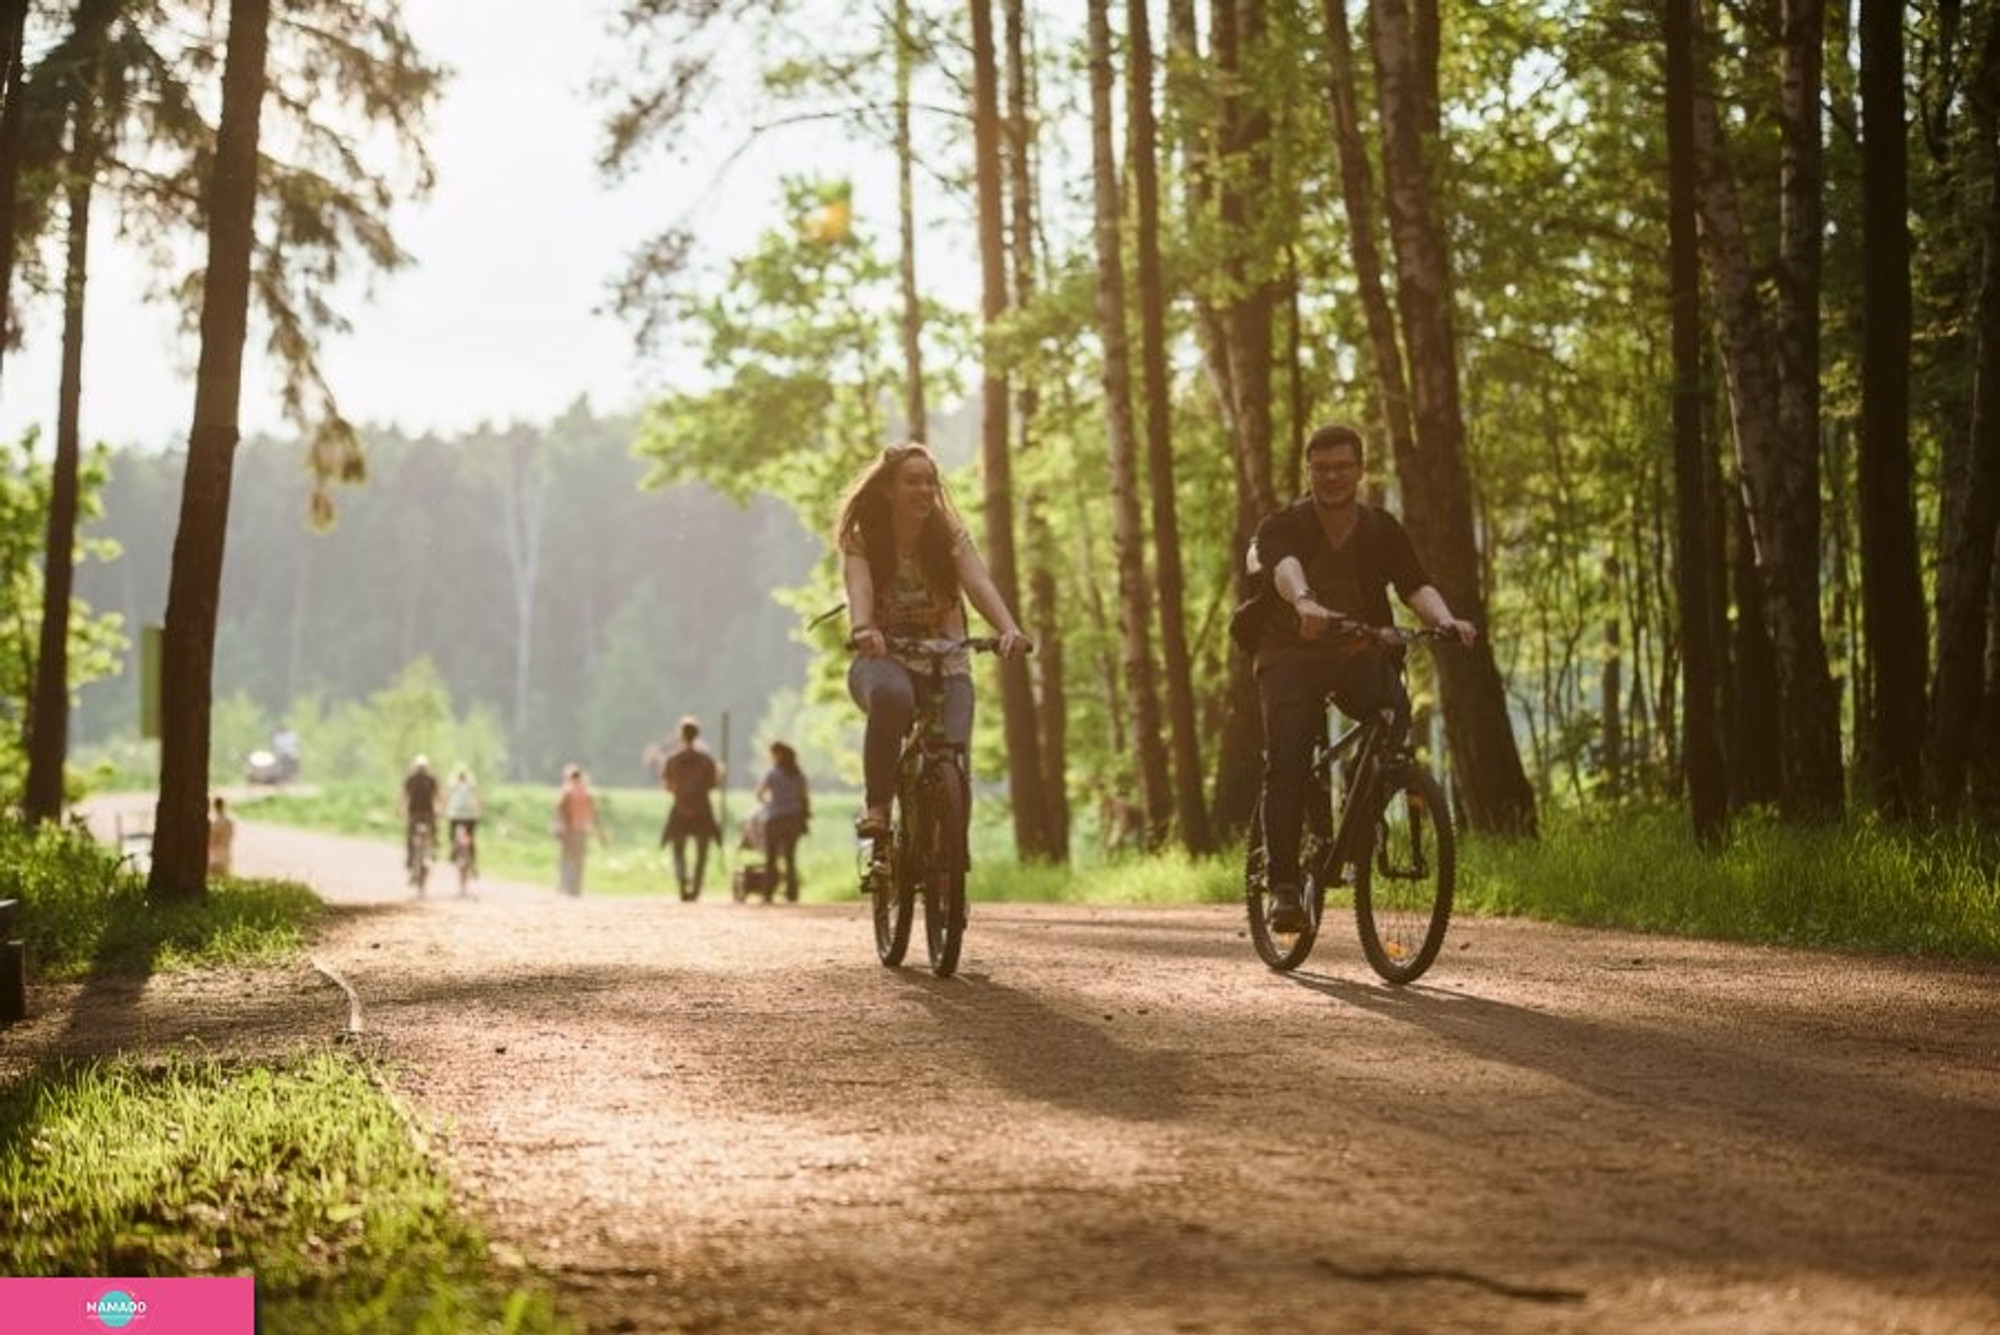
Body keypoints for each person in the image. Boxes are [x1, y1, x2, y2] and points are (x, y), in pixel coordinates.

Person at [1247, 422, 1477, 933]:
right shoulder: (1283, 524)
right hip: (1288, 654)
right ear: (1308, 471)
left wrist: (1445, 620)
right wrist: (1304, 600)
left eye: (1342, 467)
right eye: (1321, 468)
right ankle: (1283, 886)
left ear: (1360, 470)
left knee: (1393, 718)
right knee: (1288, 759)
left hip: (1355, 650)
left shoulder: (1380, 528)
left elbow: (1415, 584)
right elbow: (1283, 568)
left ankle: (1358, 812)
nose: (1331, 477)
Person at [836, 442, 1031, 839]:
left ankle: (951, 859)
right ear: (889, 489)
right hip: (882, 658)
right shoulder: (864, 539)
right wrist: (863, 630)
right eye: (913, 482)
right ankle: (877, 806)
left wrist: (1008, 629)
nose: (925, 490)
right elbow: (859, 590)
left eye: (930, 482)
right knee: (893, 697)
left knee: (955, 755)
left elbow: (978, 583)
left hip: (946, 661)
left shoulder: (949, 536)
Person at [660, 716, 722, 901]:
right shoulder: (707, 760)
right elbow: (713, 784)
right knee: (702, 850)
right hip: (702, 808)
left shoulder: (673, 760)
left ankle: (682, 882)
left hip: (680, 808)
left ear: (681, 735)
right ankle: (696, 888)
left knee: (678, 849)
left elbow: (668, 786)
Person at [755, 741, 811, 902]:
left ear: (778, 755)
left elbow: (759, 794)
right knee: (790, 856)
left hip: (775, 818)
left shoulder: (772, 773)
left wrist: (769, 804)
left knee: (771, 857)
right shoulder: (799, 774)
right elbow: (804, 797)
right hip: (794, 818)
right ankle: (792, 892)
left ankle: (768, 892)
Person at [554, 764, 606, 897]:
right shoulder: (587, 792)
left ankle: (565, 886)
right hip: (582, 830)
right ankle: (576, 888)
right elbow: (595, 814)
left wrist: (558, 827)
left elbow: (560, 810)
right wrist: (601, 833)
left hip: (569, 830)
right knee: (579, 859)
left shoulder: (567, 791)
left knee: (566, 858)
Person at [400, 755, 441, 881]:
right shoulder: (425, 779)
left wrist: (401, 810)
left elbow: (437, 796)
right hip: (421, 813)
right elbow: (404, 796)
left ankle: (427, 853)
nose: (421, 769)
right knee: (414, 837)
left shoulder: (415, 779)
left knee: (421, 835)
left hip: (421, 813)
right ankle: (413, 858)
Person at [446, 766, 483, 887]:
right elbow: (478, 799)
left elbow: (447, 797)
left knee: (453, 836)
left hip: (455, 816)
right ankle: (472, 862)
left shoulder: (454, 785)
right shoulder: (471, 786)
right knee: (470, 839)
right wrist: (479, 810)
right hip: (470, 816)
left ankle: (453, 851)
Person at [206, 795, 235, 877]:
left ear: (214, 806)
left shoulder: (214, 823)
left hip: (215, 856)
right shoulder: (229, 822)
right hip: (226, 854)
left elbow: (212, 840)